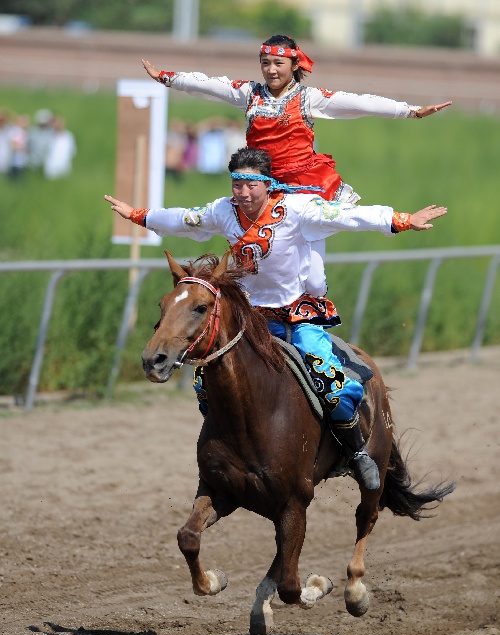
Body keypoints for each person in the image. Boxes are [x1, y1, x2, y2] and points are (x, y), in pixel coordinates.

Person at [104, 147, 447, 492]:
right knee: (208, 385)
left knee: (331, 383)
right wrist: (138, 215)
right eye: (237, 184)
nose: (243, 192)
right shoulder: (224, 211)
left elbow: (348, 216)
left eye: (251, 185)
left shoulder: (297, 209)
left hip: (299, 315)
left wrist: (402, 219)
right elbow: (185, 219)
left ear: (268, 185)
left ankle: (356, 452)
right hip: (251, 319)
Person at [141, 34, 452, 296]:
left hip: (307, 191)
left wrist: (410, 111)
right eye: (265, 63)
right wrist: (168, 78)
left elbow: (360, 102)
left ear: (294, 65)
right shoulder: (250, 95)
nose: (271, 70)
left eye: (278, 63)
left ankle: (310, 335)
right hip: (262, 192)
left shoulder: (308, 98)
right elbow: (208, 84)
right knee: (252, 267)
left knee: (315, 282)